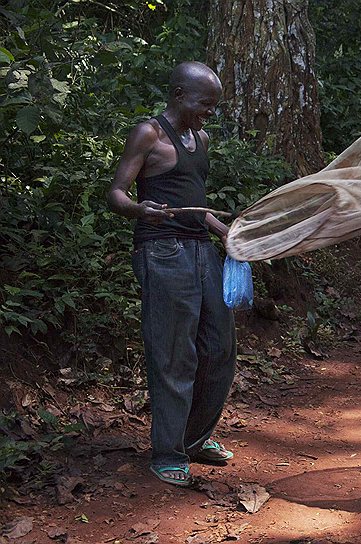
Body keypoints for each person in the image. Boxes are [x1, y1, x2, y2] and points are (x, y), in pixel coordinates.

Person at [107, 61, 236, 486]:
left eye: (214, 106)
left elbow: (196, 203)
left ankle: (194, 440)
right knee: (174, 354)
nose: (210, 113)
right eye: (205, 104)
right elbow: (116, 194)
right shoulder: (150, 133)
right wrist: (140, 209)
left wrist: (227, 231)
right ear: (179, 94)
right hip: (162, 253)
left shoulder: (200, 138)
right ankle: (167, 453)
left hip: (201, 251)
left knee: (219, 348)